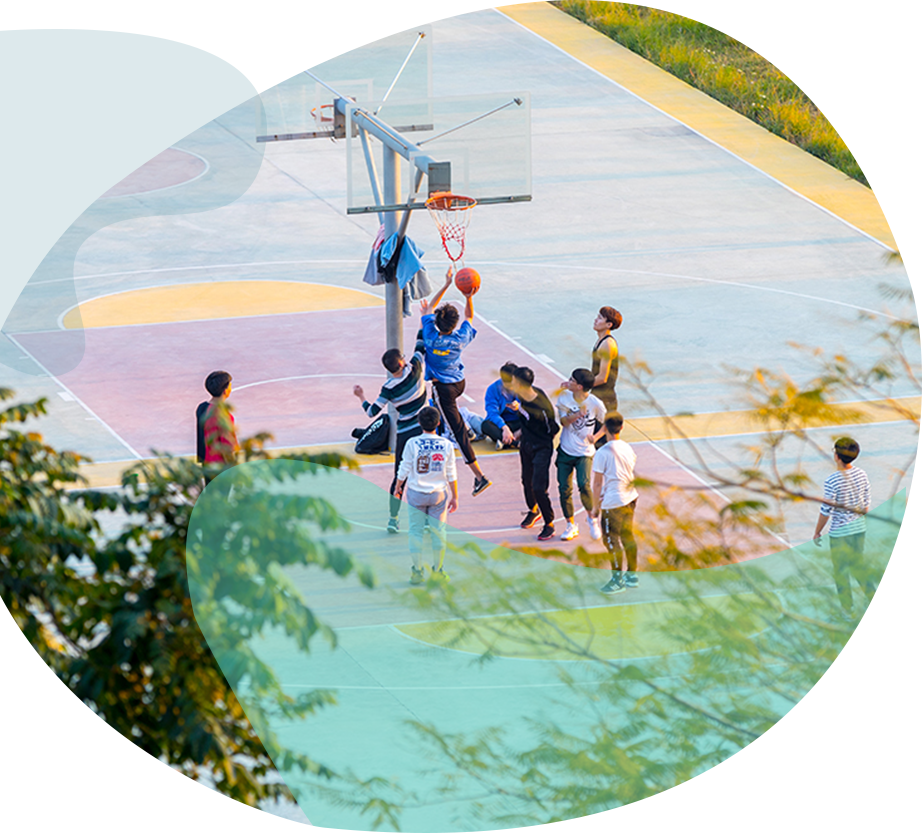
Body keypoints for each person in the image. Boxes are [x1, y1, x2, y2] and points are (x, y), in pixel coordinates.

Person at [420, 267, 491, 497]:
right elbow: (469, 317)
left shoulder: (430, 336)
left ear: (437, 322)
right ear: (454, 324)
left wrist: (446, 284)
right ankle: (462, 427)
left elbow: (428, 309)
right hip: (459, 382)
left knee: (457, 432)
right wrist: (468, 297)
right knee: (445, 419)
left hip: (443, 389)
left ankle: (479, 476)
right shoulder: (460, 338)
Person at [353, 329, 427, 534]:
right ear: (402, 363)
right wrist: (425, 317)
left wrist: (361, 396)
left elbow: (372, 412)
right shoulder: (416, 368)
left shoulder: (388, 388)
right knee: (424, 474)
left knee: (399, 477)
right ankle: (426, 520)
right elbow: (421, 343)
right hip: (424, 430)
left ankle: (393, 519)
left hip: (404, 433)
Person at [813, 437, 878, 618]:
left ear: (837, 456)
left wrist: (817, 532)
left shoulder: (832, 480)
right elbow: (866, 504)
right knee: (858, 565)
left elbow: (826, 510)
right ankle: (872, 603)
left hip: (840, 533)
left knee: (841, 571)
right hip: (859, 530)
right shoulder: (862, 474)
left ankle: (847, 609)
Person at [394, 406, 459, 585]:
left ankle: (417, 571)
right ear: (438, 423)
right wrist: (455, 496)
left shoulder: (412, 443)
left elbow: (404, 467)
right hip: (438, 494)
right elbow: (451, 473)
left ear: (419, 423)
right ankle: (438, 571)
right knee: (439, 532)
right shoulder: (446, 445)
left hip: (416, 493)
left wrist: (398, 486)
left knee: (415, 532)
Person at [556, 368, 607, 541]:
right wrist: (577, 414)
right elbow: (563, 422)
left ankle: (592, 519)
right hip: (565, 450)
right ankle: (570, 525)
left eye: (571, 380)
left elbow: (608, 422)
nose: (568, 381)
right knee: (564, 488)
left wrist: (596, 437)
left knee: (584, 484)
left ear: (579, 386)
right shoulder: (564, 397)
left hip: (584, 452)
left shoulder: (595, 403)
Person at [590, 413, 639, 594]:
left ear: (604, 428)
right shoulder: (627, 448)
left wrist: (595, 507)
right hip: (630, 497)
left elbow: (597, 483)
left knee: (611, 540)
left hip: (613, 501)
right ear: (622, 427)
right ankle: (632, 575)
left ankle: (617, 580)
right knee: (627, 536)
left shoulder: (602, 453)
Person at [510, 366, 560, 541]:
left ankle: (549, 523)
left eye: (513, 382)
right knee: (526, 481)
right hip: (526, 444)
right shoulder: (522, 397)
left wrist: (541, 443)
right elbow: (526, 419)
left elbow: (553, 428)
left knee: (539, 487)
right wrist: (521, 432)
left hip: (541, 447)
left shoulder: (540, 407)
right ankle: (533, 510)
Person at [196, 370, 240, 474]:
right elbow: (227, 446)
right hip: (221, 467)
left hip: (206, 465)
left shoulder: (202, 408)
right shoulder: (223, 415)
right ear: (225, 391)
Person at [481, 362, 522, 450]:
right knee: (486, 425)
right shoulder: (493, 389)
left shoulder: (524, 386)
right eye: (509, 386)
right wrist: (504, 428)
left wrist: (520, 407)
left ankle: (505, 442)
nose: (512, 388)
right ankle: (515, 443)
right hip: (504, 423)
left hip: (520, 422)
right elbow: (492, 413)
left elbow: (534, 408)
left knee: (537, 422)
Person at [590, 305, 622, 414]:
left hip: (605, 400)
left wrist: (581, 386)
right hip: (597, 396)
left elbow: (602, 378)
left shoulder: (608, 344)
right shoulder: (600, 341)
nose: (595, 320)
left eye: (600, 318)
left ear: (609, 325)